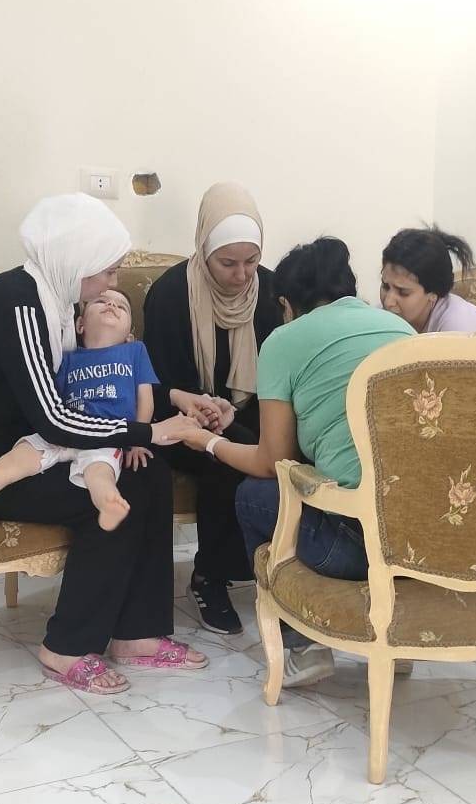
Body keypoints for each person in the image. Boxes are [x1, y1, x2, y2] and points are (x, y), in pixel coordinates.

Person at [0, 193, 207, 695]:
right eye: (107, 272)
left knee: (147, 471)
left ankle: (136, 634)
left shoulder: (54, 302)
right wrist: (148, 431)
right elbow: (55, 418)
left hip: (32, 448)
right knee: (110, 493)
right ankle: (67, 647)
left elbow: (93, 383)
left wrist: (168, 402)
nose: (111, 285)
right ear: (76, 261)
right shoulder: (18, 305)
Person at [168, 237, 416, 686]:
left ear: (285, 303)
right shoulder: (400, 330)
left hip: (351, 549)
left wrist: (207, 442)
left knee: (254, 495)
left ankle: (304, 646)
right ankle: (396, 643)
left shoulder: (284, 340)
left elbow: (272, 461)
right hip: (420, 543)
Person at [143, 182, 282, 636]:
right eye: (228, 263)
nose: (242, 275)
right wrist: (204, 413)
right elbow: (158, 382)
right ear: (204, 250)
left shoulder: (271, 291)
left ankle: (281, 570)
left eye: (251, 261)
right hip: (181, 420)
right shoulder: (169, 295)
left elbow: (279, 373)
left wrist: (237, 416)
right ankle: (209, 577)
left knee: (271, 446)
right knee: (226, 455)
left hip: (251, 413)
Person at [0, 289, 155, 532]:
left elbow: (146, 398)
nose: (111, 304)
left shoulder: (135, 351)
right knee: (7, 467)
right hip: (62, 431)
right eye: (101, 301)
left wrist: (137, 440)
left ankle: (108, 505)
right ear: (80, 325)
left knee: (99, 475)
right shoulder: (67, 357)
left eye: (121, 306)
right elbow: (50, 399)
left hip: (104, 438)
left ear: (129, 335)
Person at [380, 226, 476, 333]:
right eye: (385, 286)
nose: (388, 302)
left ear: (433, 294)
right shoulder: (385, 316)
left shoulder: (458, 325)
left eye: (403, 292)